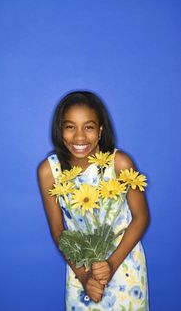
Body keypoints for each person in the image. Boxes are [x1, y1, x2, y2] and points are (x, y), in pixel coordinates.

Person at [38, 91, 149, 310]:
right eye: (70, 127)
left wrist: (111, 264)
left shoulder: (119, 164)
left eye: (88, 127)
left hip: (124, 265)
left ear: (100, 131)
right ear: (60, 131)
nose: (79, 137)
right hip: (81, 271)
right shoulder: (49, 172)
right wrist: (84, 276)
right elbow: (59, 229)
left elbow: (140, 218)